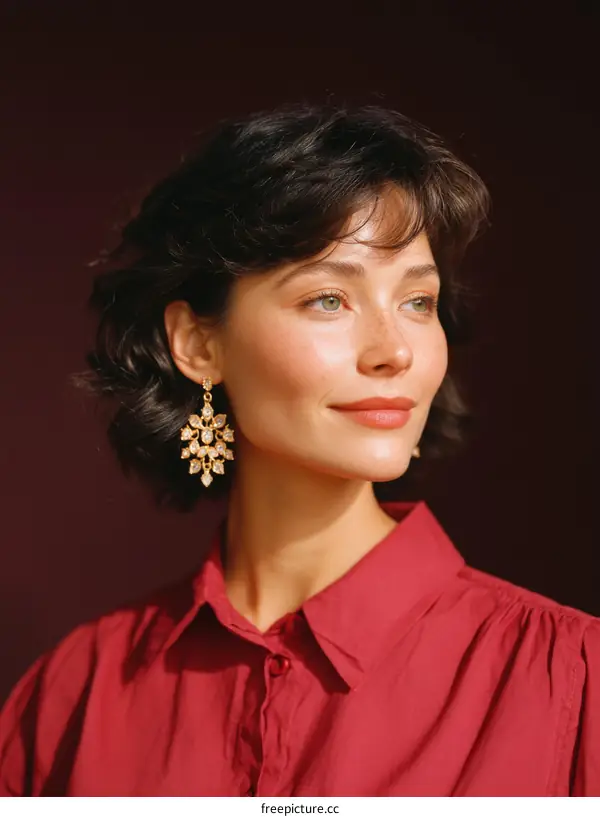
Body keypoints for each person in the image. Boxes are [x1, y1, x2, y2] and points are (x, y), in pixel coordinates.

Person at [0, 103, 598, 797]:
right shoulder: (75, 694)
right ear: (199, 344)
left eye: (418, 302)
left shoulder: (570, 679)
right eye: (327, 300)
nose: (394, 351)